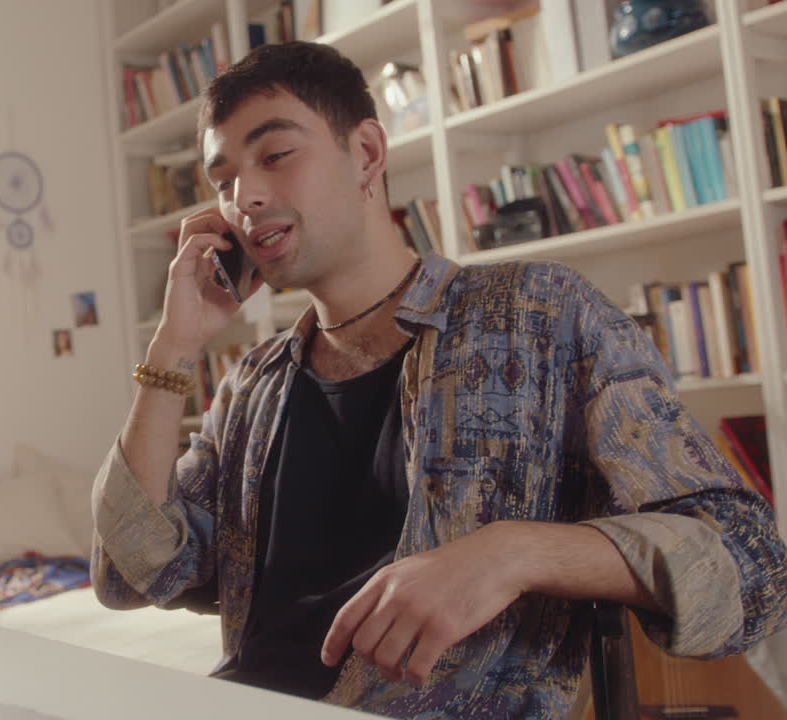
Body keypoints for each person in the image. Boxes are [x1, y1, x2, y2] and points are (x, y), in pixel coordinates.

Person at [90, 41, 787, 718]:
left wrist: (515, 552)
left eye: (275, 155)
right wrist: (173, 349)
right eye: (224, 181)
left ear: (365, 153)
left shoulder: (542, 316)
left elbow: (750, 560)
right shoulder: (253, 385)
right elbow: (134, 572)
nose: (246, 196)